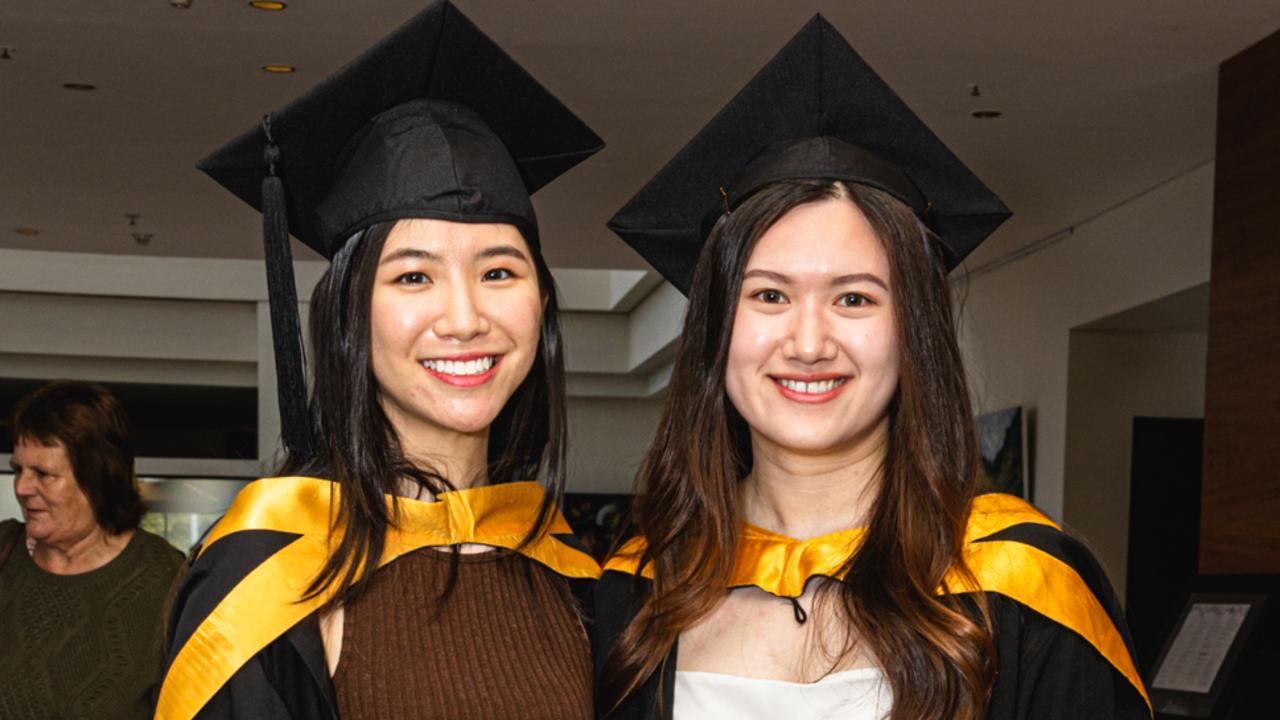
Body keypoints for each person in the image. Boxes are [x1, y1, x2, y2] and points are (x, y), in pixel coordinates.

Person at [595, 15, 1150, 720]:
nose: (808, 341)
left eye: (854, 297)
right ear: (715, 330)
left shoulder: (1023, 591)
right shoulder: (640, 592)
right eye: (769, 294)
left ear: (912, 330)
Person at [156, 3, 604, 718]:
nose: (464, 319)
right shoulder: (267, 574)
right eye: (413, 277)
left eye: (499, 273)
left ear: (543, 304)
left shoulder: (571, 570)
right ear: (348, 316)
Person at [1, 380, 184, 719]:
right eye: (18, 469)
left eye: (43, 473)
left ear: (98, 477)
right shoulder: (4, 552)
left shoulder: (167, 581)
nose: (23, 487)